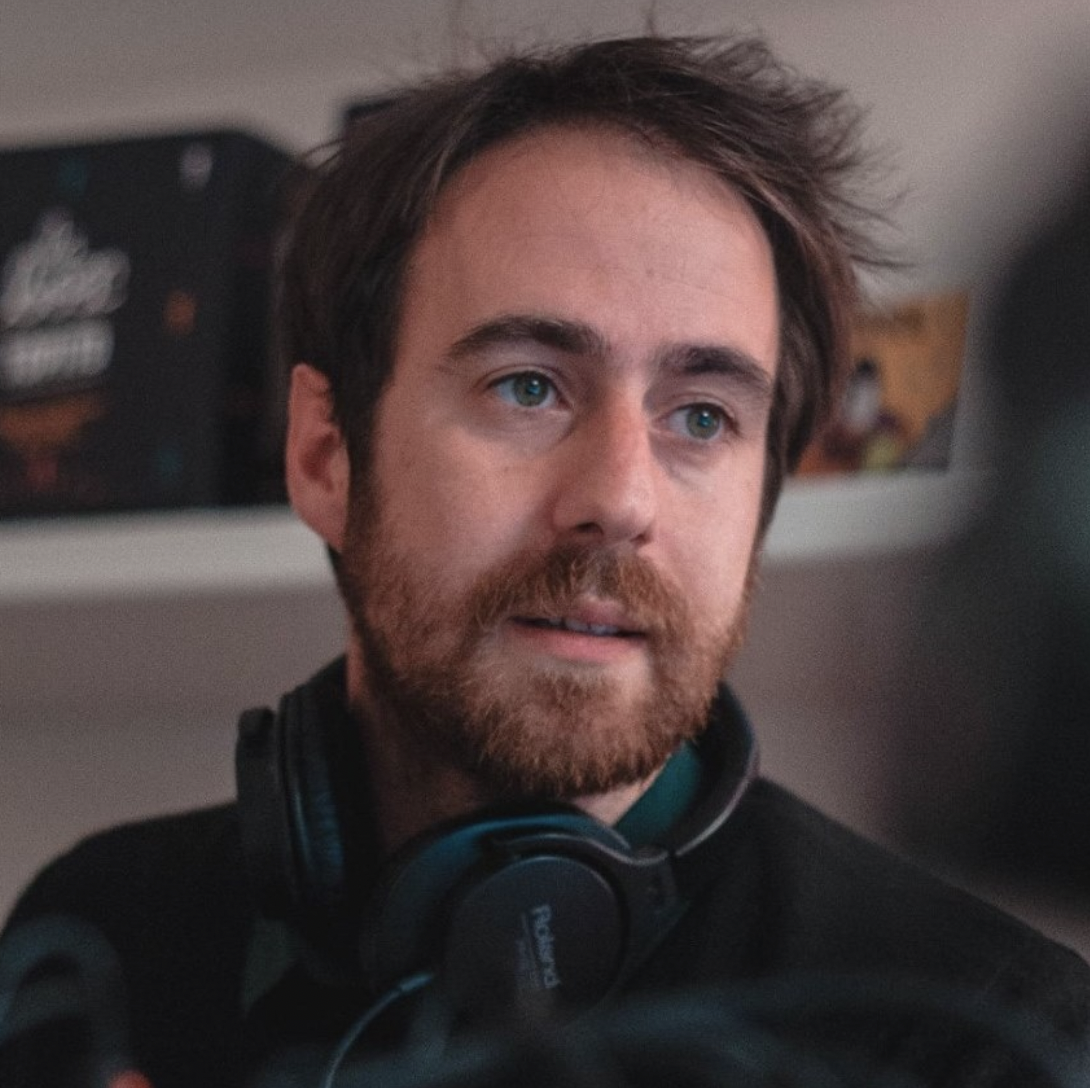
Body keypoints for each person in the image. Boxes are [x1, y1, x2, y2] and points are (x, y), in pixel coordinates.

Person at [2, 34, 1089, 1088]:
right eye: (528, 386)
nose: (618, 499)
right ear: (326, 454)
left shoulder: (995, 1041)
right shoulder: (97, 941)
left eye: (702, 416)